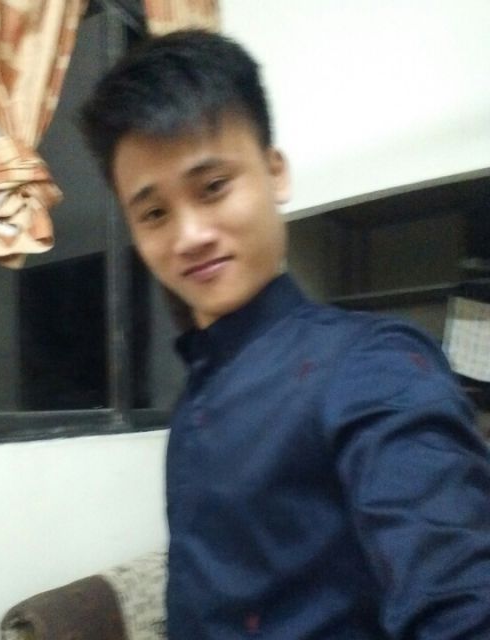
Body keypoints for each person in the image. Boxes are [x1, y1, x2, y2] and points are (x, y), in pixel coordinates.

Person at [81, 29, 490, 639]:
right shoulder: (197, 391)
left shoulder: (371, 364)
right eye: (155, 213)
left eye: (213, 187)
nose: (190, 236)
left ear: (275, 173)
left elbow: (457, 599)